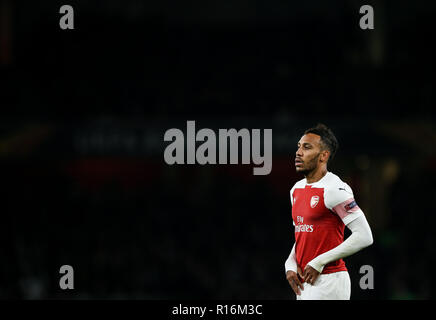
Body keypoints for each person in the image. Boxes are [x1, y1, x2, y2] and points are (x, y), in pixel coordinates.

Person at [284, 123, 373, 300]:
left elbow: (364, 236)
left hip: (330, 281)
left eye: (307, 147)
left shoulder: (335, 189)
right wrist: (290, 264)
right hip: (305, 281)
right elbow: (302, 235)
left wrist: (319, 262)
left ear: (323, 156)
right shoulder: (296, 189)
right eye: (299, 146)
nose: (299, 152)